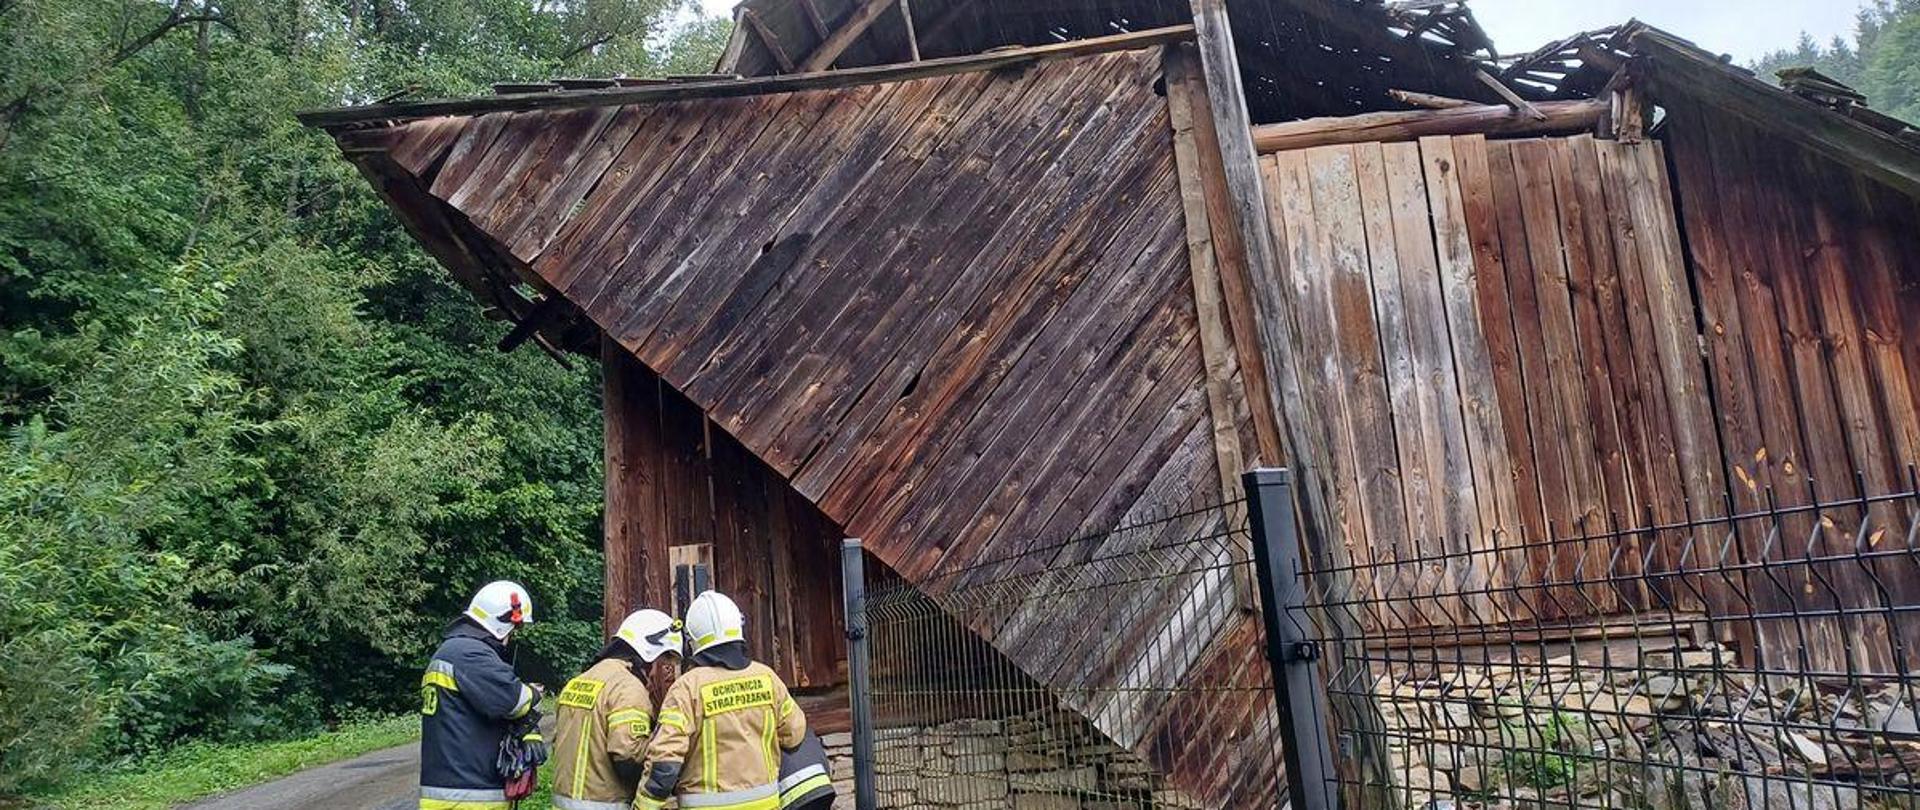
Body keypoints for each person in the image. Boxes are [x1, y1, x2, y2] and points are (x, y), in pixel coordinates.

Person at [636, 591, 808, 810]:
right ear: (738, 627)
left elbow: (665, 763)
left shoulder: (687, 688)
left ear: (692, 639)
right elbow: (794, 735)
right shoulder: (767, 678)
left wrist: (643, 805)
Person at [419, 580, 543, 810]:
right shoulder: (471, 655)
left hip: (448, 794)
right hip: (471, 797)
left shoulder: (449, 652)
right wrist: (534, 693)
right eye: (515, 630)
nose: (512, 638)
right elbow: (513, 701)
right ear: (504, 622)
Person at [549, 608, 683, 810]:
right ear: (650, 653)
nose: (667, 674)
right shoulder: (627, 687)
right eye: (665, 662)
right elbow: (628, 757)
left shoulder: (578, 681)